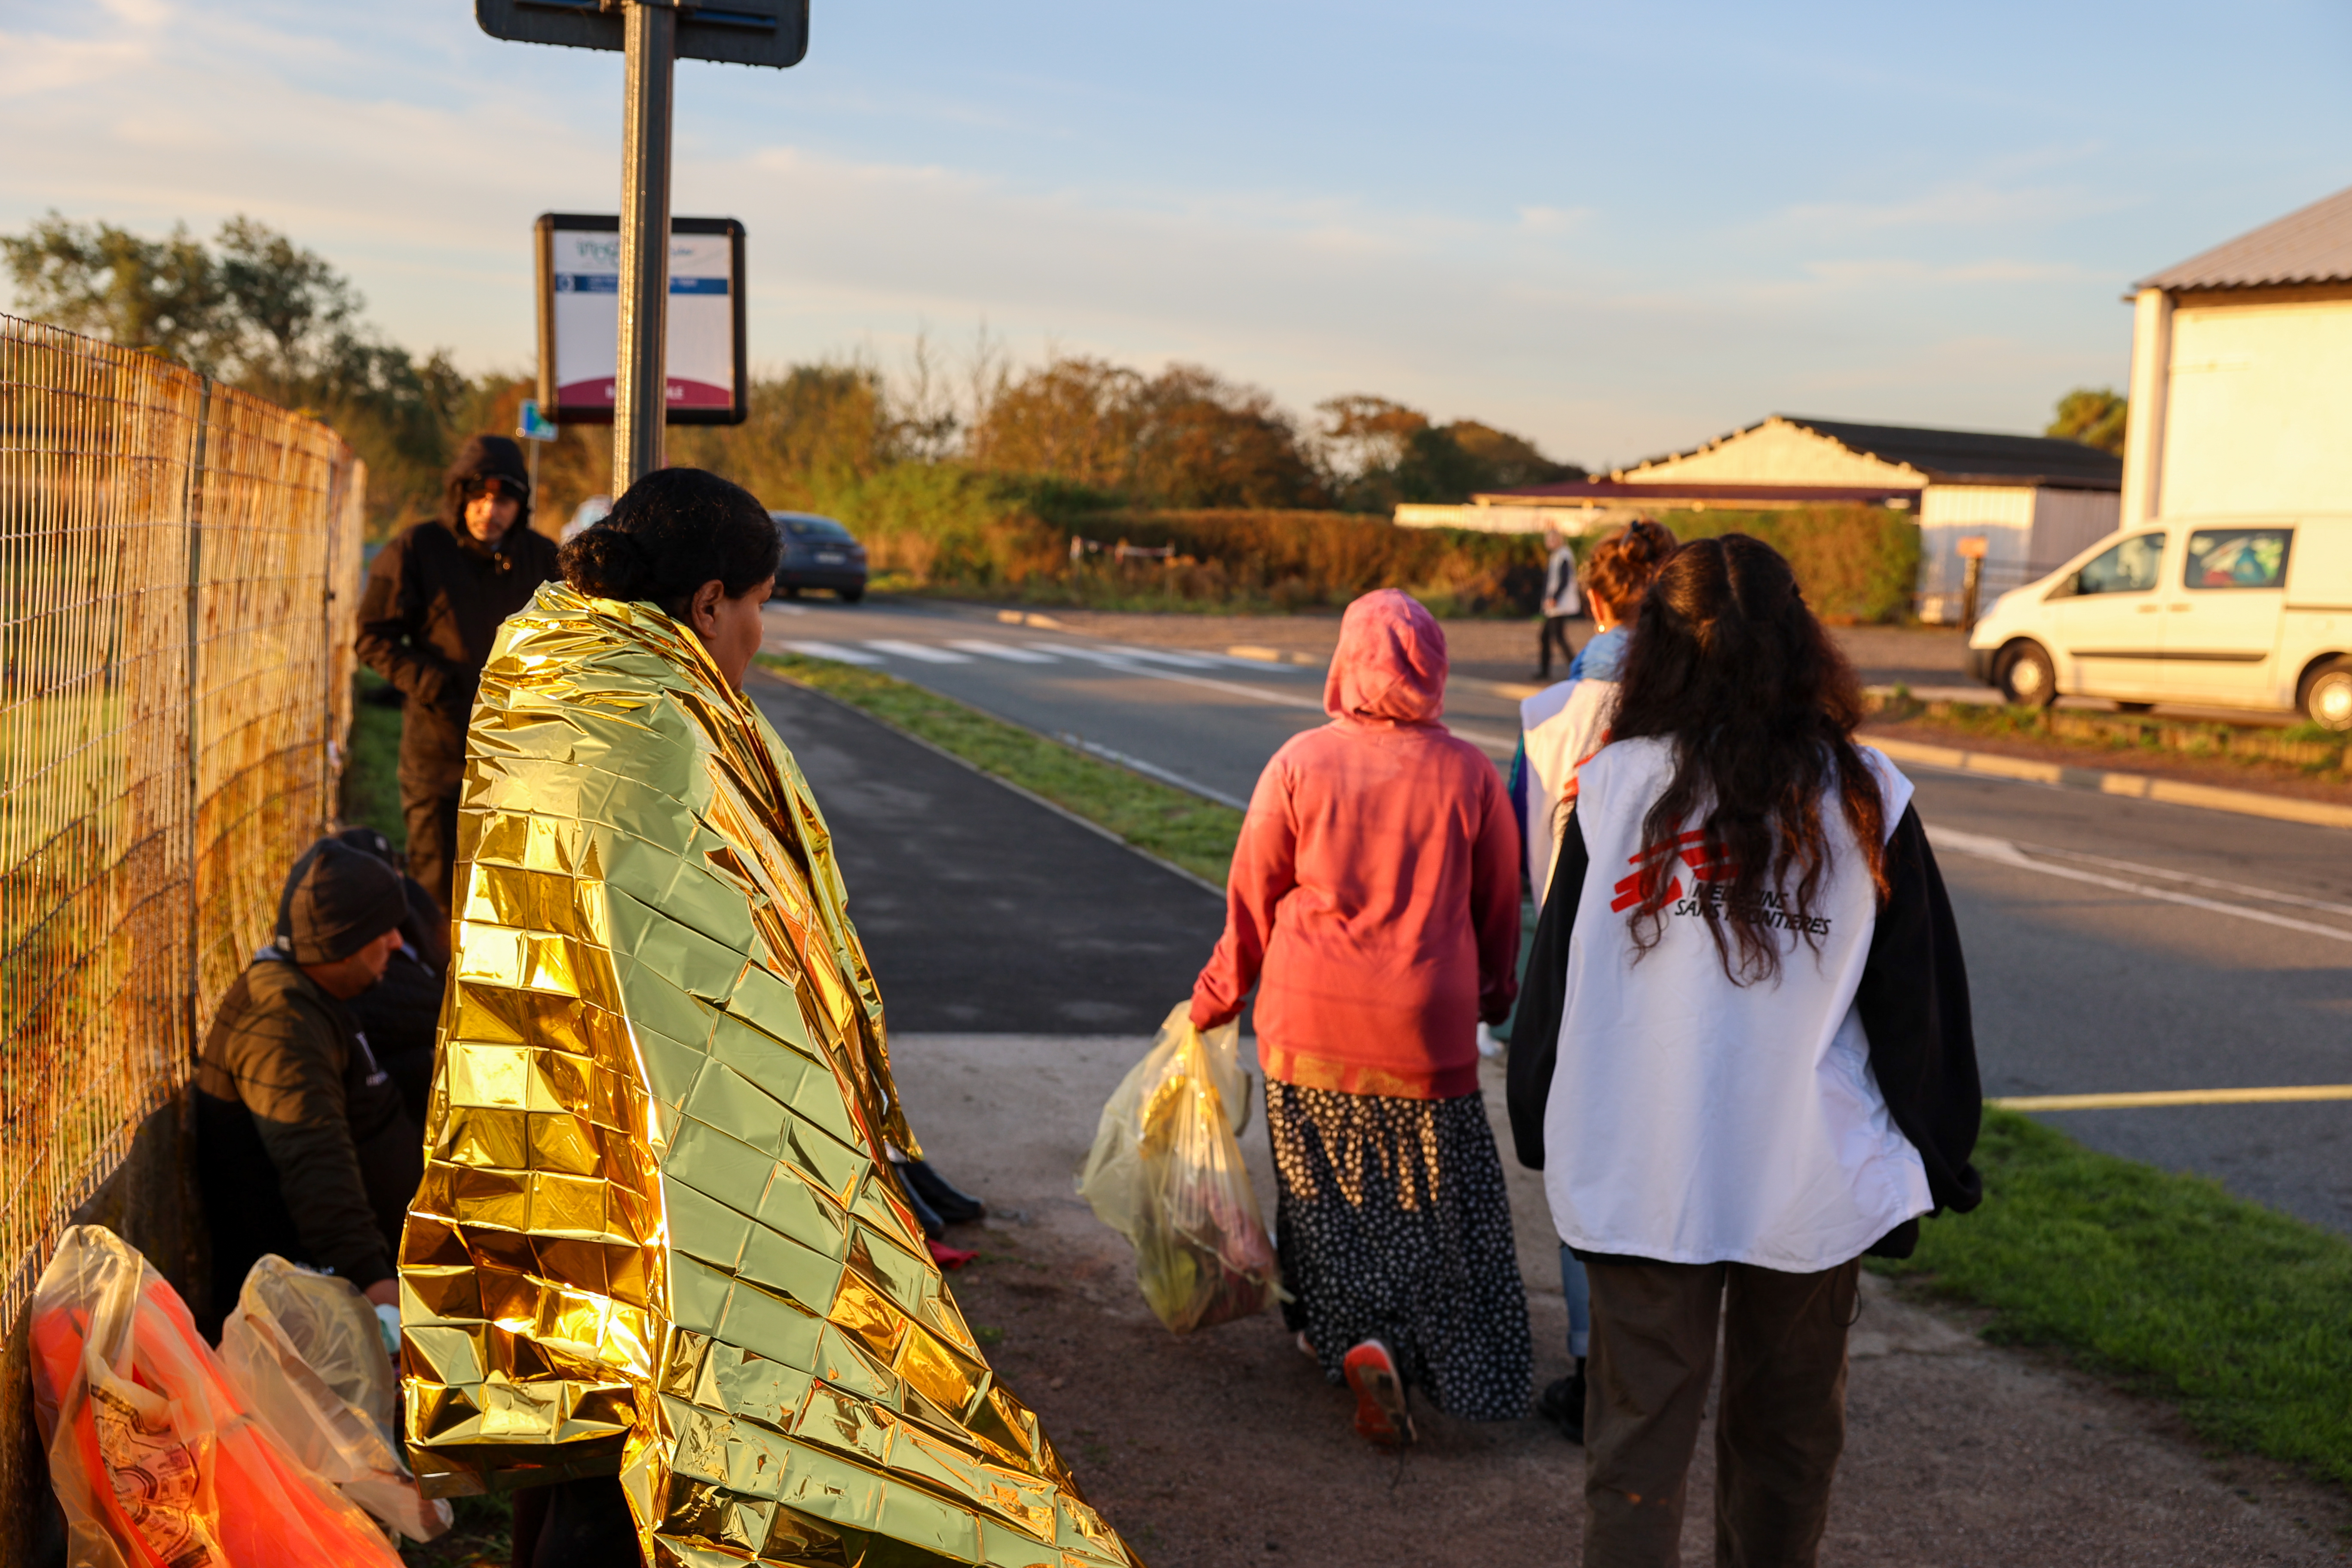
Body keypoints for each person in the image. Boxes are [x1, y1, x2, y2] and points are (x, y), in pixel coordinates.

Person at [400, 468, 1134, 1568]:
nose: (760, 631)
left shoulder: (552, 677)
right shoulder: (656, 730)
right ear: (707, 604)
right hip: (677, 1146)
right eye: (760, 603)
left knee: (587, 1407)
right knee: (669, 1412)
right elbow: (722, 982)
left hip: (548, 1111)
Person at [1505, 535, 1982, 1568]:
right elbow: (1919, 1010)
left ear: (1655, 650)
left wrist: (1541, 1110)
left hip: (1643, 1164)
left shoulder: (1613, 789)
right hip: (1806, 1173)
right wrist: (1932, 1158)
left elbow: (1559, 978)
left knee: (1632, 1450)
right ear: (1798, 639)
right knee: (1784, 1445)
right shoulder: (1862, 797)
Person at [1191, 588, 1528, 1446]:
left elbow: (1252, 901)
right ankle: (1408, 1343)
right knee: (1432, 1197)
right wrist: (1494, 995)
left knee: (1324, 1197)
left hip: (1310, 1023)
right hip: (1428, 1025)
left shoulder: (1299, 763)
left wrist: (1219, 997)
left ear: (1347, 661)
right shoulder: (1472, 775)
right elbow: (1498, 908)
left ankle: (1339, 1336)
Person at [1503, 515, 1678, 1444]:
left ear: (1599, 599)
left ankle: (1588, 1360)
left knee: (1583, 1161)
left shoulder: (1546, 718)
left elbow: (1514, 848)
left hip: (1569, 965)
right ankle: (1664, 1353)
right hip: (1680, 963)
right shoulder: (1696, 713)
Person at [195, 838, 420, 1338]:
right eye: (383, 931)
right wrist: (377, 1287)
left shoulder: (316, 997)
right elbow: (316, 1167)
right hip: (323, 1307)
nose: (398, 943)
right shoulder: (280, 1026)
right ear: (342, 943)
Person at [354, 435, 560, 912]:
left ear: (520, 505)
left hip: (520, 757)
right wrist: (429, 682)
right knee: (436, 890)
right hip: (438, 755)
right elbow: (372, 635)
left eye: (504, 499)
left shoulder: (541, 558)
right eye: (479, 496)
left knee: (506, 895)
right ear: (460, 495)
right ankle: (433, 983)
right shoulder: (417, 548)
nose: (490, 510)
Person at [332, 824, 449, 1124]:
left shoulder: (413, 900)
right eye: (390, 875)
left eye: (398, 868)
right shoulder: (367, 973)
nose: (400, 879)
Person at [1534, 521, 1582, 680]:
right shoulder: (1557, 555)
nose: (1548, 543)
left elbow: (1564, 579)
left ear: (1557, 540)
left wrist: (1554, 598)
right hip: (1555, 604)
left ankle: (1576, 669)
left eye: (1550, 540)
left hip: (1560, 604)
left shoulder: (1564, 556)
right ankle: (1545, 671)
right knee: (1547, 636)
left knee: (1558, 637)